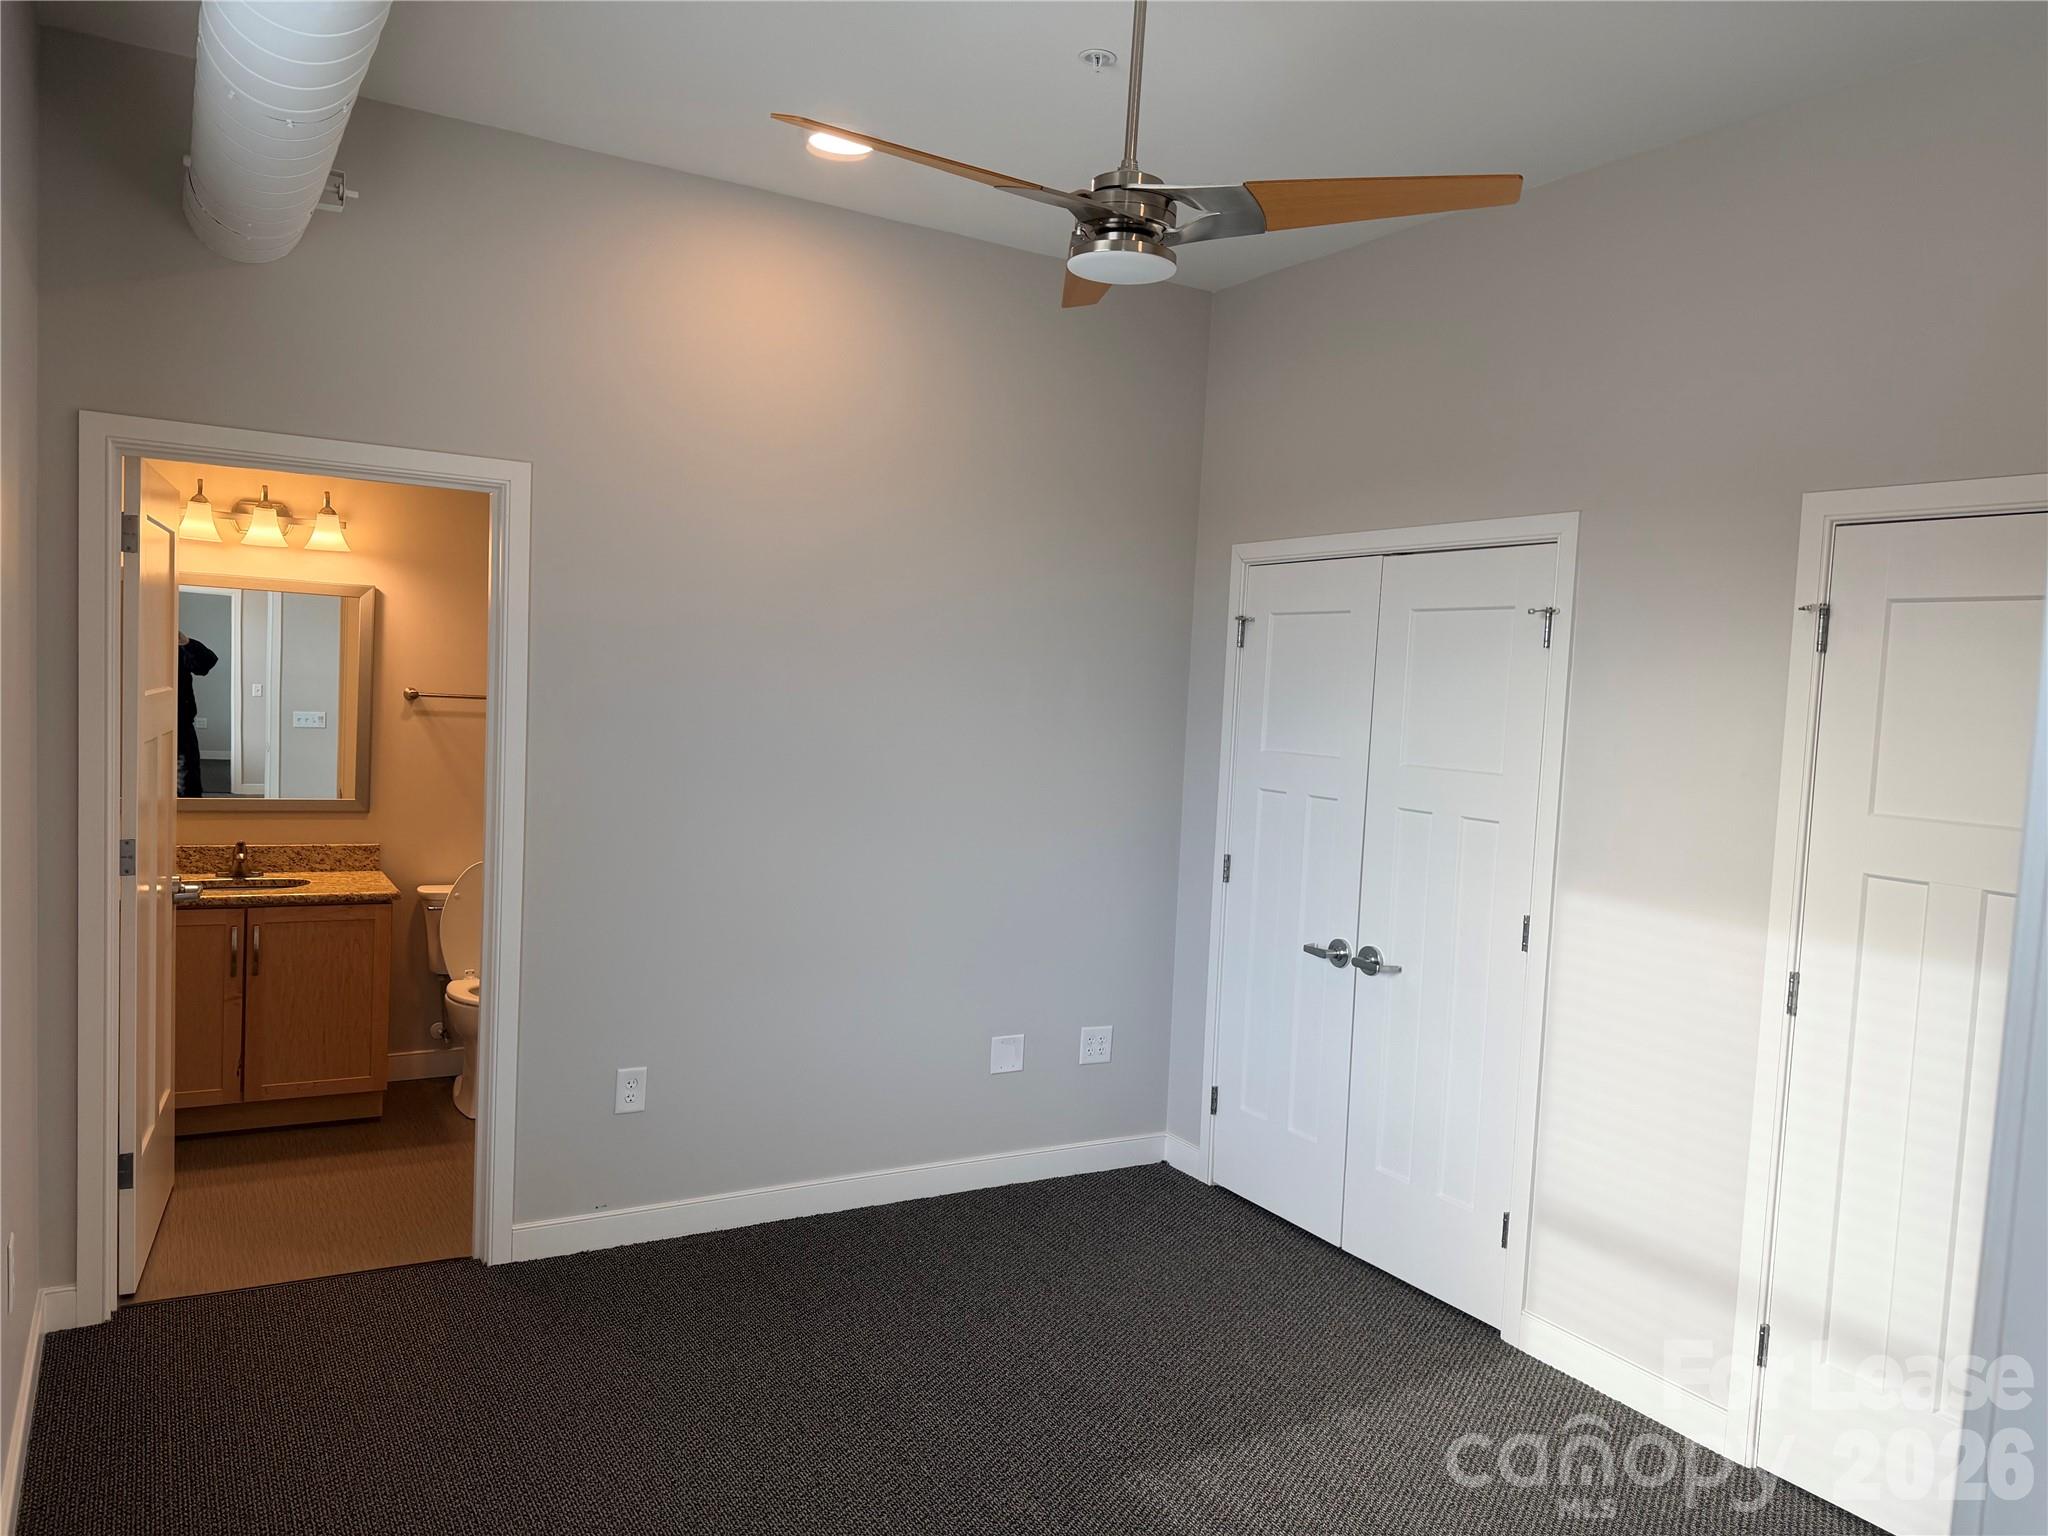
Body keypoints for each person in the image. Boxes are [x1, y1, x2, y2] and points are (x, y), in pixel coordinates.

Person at [177, 630, 218, 797]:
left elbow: (206, 663)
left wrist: (186, 642)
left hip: (181, 725)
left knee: (187, 784)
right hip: (143, 725)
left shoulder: (177, 647)